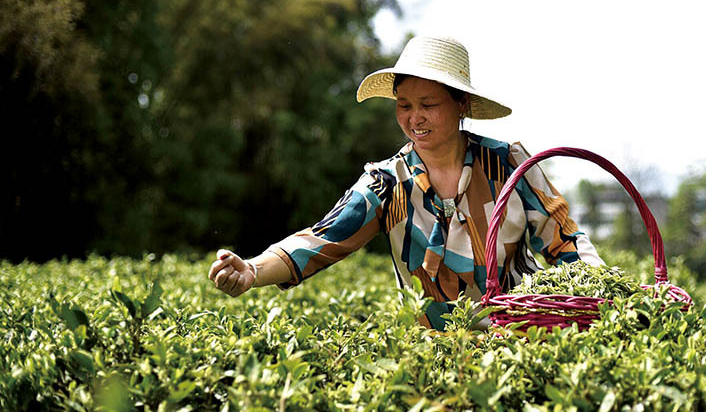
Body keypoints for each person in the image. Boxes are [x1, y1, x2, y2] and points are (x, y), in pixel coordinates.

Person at [208, 35, 603, 330]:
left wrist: (609, 295)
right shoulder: (387, 183)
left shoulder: (509, 166)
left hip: (522, 340)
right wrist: (253, 271)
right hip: (432, 350)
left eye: (428, 105)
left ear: (461, 104)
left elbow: (566, 243)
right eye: (404, 105)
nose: (415, 118)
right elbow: (320, 241)